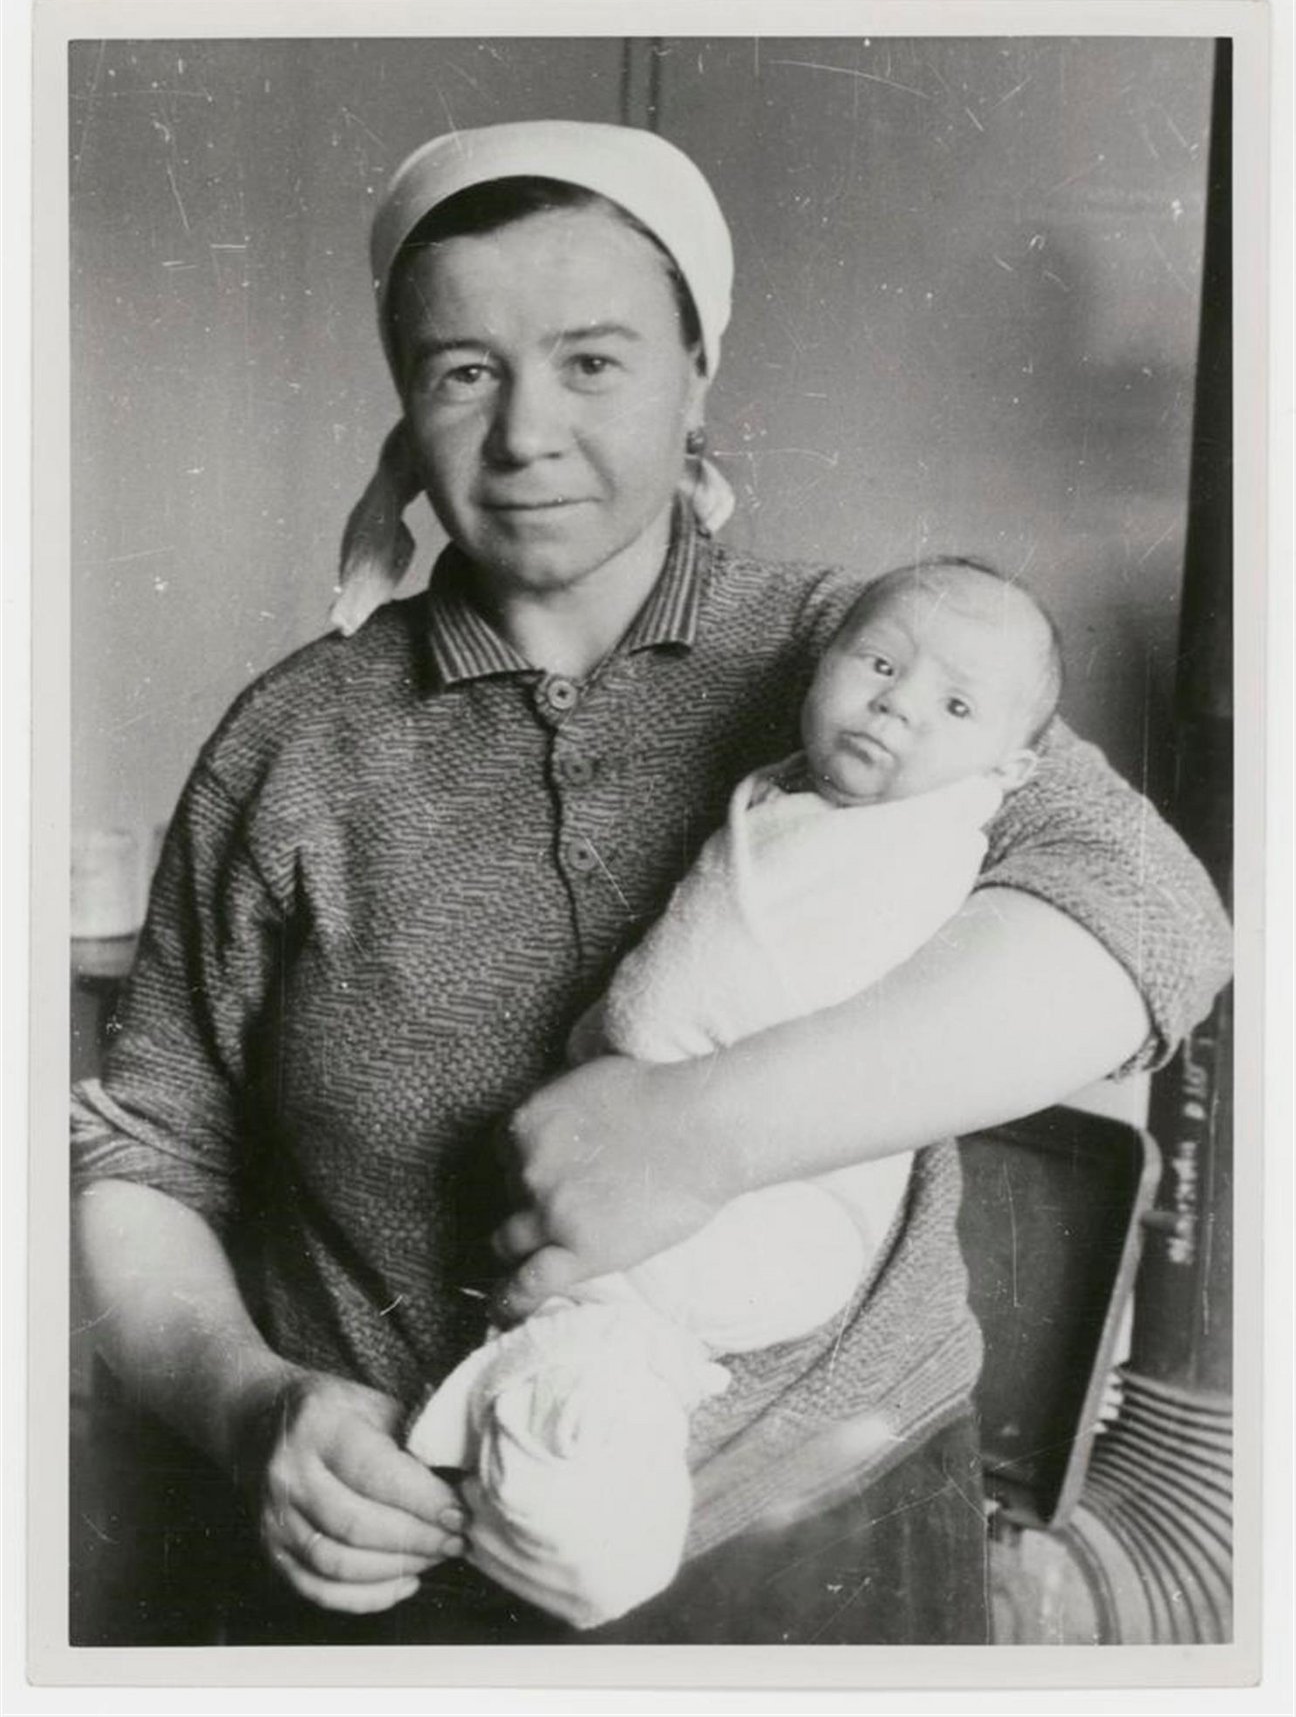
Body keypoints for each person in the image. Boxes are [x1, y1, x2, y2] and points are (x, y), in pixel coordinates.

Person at [70, 119, 1232, 1646]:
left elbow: (1158, 921)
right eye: (463, 369)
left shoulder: (877, 657)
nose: (526, 430)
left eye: (595, 360)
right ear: (406, 405)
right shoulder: (296, 738)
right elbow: (148, 1151)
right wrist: (248, 1403)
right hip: (391, 1568)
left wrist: (705, 1127)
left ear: (700, 376)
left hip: (819, 1542)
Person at [403, 555, 1064, 1630]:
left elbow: (1153, 922)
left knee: (600, 1345)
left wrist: (688, 1108)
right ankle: (573, 1483)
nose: (898, 706)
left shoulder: (941, 823)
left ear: (1016, 763)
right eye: (880, 664)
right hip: (622, 1150)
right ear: (822, 665)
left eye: (951, 705)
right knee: (590, 1336)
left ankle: (595, 1520)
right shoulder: (785, 792)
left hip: (775, 1202)